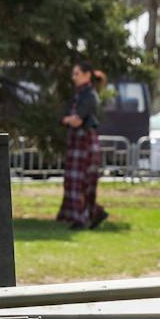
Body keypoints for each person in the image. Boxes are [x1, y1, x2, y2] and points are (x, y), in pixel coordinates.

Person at [57, 61, 108, 230]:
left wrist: (70, 120)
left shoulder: (90, 96)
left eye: (77, 74)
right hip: (75, 141)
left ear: (87, 75)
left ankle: (84, 217)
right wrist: (69, 119)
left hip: (85, 142)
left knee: (83, 182)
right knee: (73, 181)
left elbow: (77, 120)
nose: (74, 77)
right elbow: (65, 117)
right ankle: (91, 214)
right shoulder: (77, 95)